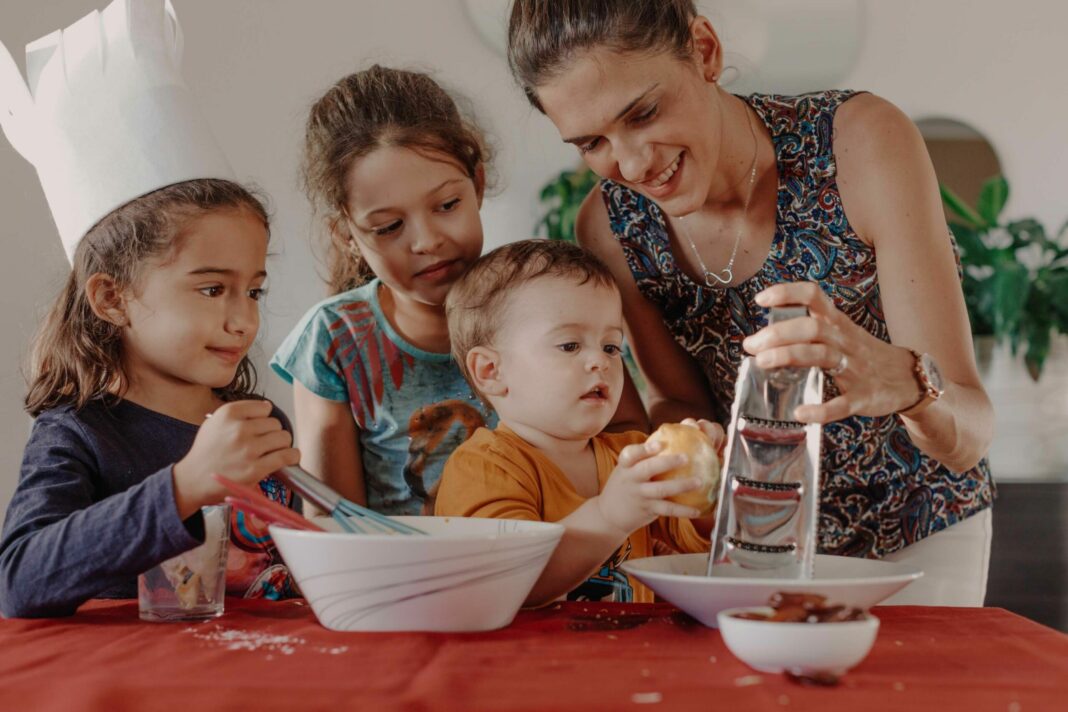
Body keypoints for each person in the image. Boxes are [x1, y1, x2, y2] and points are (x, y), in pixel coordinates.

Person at [506, 0, 995, 605]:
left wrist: (908, 382)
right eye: (591, 142)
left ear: (705, 51)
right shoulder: (610, 227)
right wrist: (686, 442)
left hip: (919, 528)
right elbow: (675, 401)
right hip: (745, 545)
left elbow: (970, 432)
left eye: (644, 112)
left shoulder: (861, 143)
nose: (631, 164)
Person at [0, 1, 300, 617]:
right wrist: (188, 484)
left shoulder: (255, 420)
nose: (244, 318)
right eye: (212, 289)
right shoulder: (80, 434)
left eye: (255, 289)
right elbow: (18, 579)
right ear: (112, 298)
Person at [436, 239, 724, 605]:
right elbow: (505, 582)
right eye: (570, 345)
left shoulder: (632, 455)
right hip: (525, 661)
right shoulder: (483, 468)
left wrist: (708, 487)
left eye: (610, 346)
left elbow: (700, 547)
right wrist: (608, 516)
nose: (599, 362)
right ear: (491, 371)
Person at [271, 66, 504, 516]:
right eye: (389, 227)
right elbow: (334, 523)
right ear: (347, 236)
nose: (427, 241)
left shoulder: (542, 300)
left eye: (448, 205)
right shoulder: (335, 340)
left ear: (477, 184)